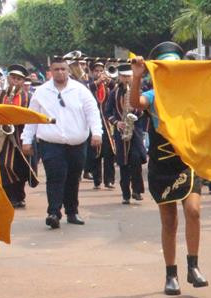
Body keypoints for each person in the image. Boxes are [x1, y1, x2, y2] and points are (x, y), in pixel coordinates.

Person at [129, 42, 208, 295]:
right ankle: (170, 274)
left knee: (193, 211)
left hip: (187, 161)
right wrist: (137, 76)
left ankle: (193, 266)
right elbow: (135, 102)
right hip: (161, 165)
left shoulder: (191, 93)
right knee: (169, 220)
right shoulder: (153, 96)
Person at [21, 54, 102, 230]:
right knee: (55, 177)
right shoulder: (41, 92)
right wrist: (27, 140)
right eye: (56, 69)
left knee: (73, 178)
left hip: (77, 143)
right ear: (50, 71)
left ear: (68, 70)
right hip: (51, 143)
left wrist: (97, 133)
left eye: (63, 69)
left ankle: (72, 212)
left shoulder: (80, 90)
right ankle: (53, 213)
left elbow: (92, 112)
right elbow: (32, 118)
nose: (60, 72)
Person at [0, 64, 36, 209]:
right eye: (13, 78)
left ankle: (19, 196)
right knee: (3, 165)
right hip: (2, 136)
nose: (15, 81)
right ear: (8, 78)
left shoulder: (28, 97)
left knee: (20, 166)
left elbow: (31, 116)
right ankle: (8, 196)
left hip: (21, 135)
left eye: (19, 79)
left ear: (23, 81)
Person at [105, 62, 147, 206]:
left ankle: (137, 190)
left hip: (135, 132)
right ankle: (125, 194)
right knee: (123, 164)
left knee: (135, 160)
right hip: (121, 133)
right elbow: (108, 112)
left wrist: (135, 112)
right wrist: (117, 123)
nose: (127, 79)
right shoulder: (113, 94)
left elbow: (144, 109)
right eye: (123, 76)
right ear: (120, 77)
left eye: (129, 76)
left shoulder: (139, 92)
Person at [87, 59, 116, 190]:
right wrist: (97, 82)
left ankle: (109, 180)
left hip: (108, 122)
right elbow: (87, 90)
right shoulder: (88, 85)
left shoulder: (108, 85)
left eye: (101, 71)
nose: (99, 73)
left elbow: (118, 90)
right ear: (92, 72)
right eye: (96, 71)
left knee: (109, 152)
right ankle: (97, 179)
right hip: (93, 123)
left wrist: (110, 82)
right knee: (95, 153)